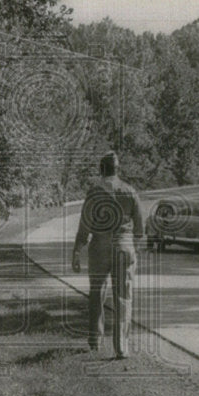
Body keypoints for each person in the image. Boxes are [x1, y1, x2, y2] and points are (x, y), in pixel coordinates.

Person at [71, 151, 143, 358]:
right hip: (124, 246)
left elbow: (84, 226)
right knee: (123, 296)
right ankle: (121, 347)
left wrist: (77, 251)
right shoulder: (130, 191)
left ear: (100, 170)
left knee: (96, 294)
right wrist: (132, 247)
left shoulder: (94, 193)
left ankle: (95, 340)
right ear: (118, 169)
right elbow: (139, 229)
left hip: (100, 246)